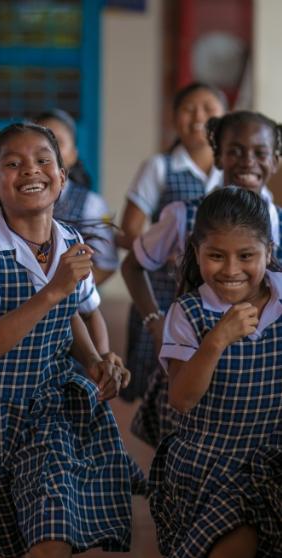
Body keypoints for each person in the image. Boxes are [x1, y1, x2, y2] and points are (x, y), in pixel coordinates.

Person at [0, 123, 133, 558]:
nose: (30, 170)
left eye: (43, 160)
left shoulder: (66, 241)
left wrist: (98, 359)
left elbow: (74, 315)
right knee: (5, 550)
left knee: (52, 534)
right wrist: (54, 290)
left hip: (45, 411)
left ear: (62, 177)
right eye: (13, 163)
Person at [122, 110, 282, 447]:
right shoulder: (185, 214)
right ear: (218, 155)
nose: (247, 161)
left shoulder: (278, 219)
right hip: (191, 354)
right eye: (235, 150)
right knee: (185, 439)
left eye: (259, 152)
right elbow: (132, 266)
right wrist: (155, 321)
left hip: (261, 389)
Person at [149, 187, 282, 558]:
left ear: (268, 251)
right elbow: (182, 398)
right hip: (215, 467)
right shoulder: (188, 313)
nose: (231, 270)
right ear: (196, 251)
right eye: (216, 256)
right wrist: (216, 341)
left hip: (274, 459)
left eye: (247, 256)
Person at [117, 82, 228, 400]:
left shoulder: (233, 169)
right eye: (188, 109)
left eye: (209, 109)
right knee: (161, 385)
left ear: (226, 116)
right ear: (174, 118)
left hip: (219, 295)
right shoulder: (160, 167)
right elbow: (130, 230)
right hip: (165, 294)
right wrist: (166, 249)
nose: (198, 117)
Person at [35, 109, 118, 285]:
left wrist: (67, 294)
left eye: (57, 142)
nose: (48, 150)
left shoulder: (92, 204)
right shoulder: (10, 197)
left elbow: (106, 265)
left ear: (73, 155)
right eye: (40, 141)